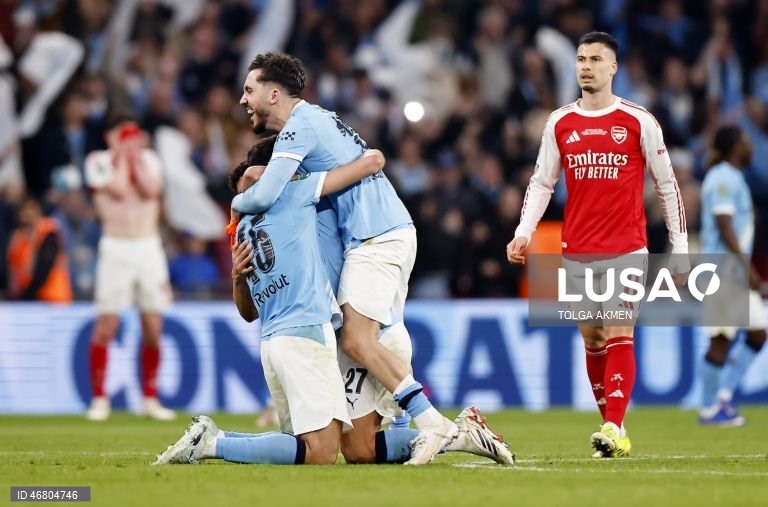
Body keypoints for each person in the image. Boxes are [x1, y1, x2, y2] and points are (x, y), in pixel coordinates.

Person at [154, 136, 513, 466]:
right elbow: (248, 312)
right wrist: (237, 275)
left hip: (366, 331)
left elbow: (257, 177)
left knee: (335, 448)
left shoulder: (302, 203)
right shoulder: (265, 221)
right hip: (313, 337)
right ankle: (459, 434)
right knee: (352, 449)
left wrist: (240, 202)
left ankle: (450, 433)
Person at [233, 52, 457, 465]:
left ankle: (431, 422)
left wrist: (235, 209)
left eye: (250, 90)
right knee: (358, 445)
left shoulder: (298, 128)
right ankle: (433, 429)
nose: (244, 100)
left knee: (358, 339)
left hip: (376, 234)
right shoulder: (319, 119)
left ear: (275, 93)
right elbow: (369, 158)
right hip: (377, 234)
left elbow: (264, 194)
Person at [506, 32, 689, 458]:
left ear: (613, 68)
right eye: (580, 59)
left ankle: (613, 424)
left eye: (595, 59)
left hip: (627, 246)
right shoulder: (560, 122)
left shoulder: (638, 120)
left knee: (619, 330)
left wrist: (679, 249)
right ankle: (614, 431)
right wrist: (523, 231)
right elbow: (541, 182)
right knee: (593, 339)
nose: (585, 66)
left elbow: (668, 185)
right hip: (578, 249)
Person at [83, 116, 175, 421]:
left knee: (153, 327)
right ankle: (99, 398)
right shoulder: (97, 161)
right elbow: (120, 189)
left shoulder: (149, 160)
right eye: (121, 134)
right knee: (106, 325)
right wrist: (123, 156)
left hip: (148, 247)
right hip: (115, 248)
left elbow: (151, 190)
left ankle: (150, 397)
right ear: (109, 135)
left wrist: (134, 156)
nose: (127, 140)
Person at [698, 126, 766, 426]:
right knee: (721, 339)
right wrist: (747, 268)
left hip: (733, 272)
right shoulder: (723, 177)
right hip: (724, 271)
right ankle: (709, 408)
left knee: (757, 334)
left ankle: (722, 396)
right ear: (735, 146)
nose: (751, 145)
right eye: (746, 140)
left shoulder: (733, 176)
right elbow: (724, 224)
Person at [6, 197, 73, 303]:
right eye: (24, 210)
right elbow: (14, 270)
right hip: (26, 299)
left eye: (31, 209)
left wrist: (25, 296)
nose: (28, 214)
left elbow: (43, 269)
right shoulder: (18, 238)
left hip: (52, 298)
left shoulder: (49, 233)